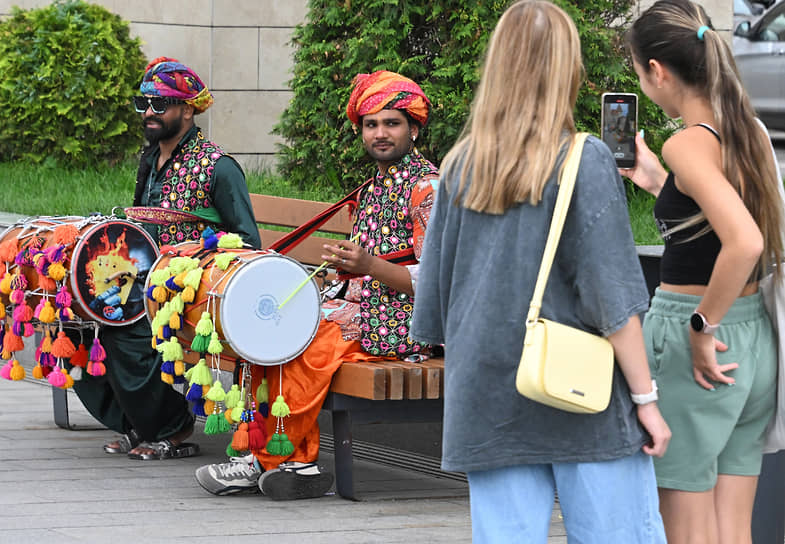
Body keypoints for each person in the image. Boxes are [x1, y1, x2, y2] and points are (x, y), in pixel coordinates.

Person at [408, 2, 671, 542]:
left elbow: (432, 304)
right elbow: (613, 297)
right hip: (583, 399)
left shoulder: (459, 165)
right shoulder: (585, 158)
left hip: (486, 398)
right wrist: (646, 402)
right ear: (566, 68)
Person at [194, 70, 439, 500]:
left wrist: (368, 265)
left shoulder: (428, 189)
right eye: (371, 124)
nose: (380, 133)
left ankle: (289, 461)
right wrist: (342, 271)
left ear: (414, 129)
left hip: (402, 321)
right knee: (269, 328)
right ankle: (265, 455)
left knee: (300, 338)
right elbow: (369, 265)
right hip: (362, 309)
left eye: (392, 123)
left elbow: (438, 281)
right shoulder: (375, 186)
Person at [623, 2, 784, 542]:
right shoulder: (748, 131)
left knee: (686, 524)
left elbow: (744, 241)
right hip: (754, 337)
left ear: (657, 71)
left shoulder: (688, 140)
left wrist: (699, 327)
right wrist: (657, 184)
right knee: (732, 524)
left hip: (698, 335)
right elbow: (722, 223)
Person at [76, 57, 261, 460]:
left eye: (160, 105)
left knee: (124, 333)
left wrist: (192, 255)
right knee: (81, 322)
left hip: (191, 293)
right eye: (143, 104)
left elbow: (247, 242)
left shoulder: (218, 167)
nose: (149, 113)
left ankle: (172, 428)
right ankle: (136, 423)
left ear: (189, 108)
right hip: (146, 283)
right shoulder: (151, 159)